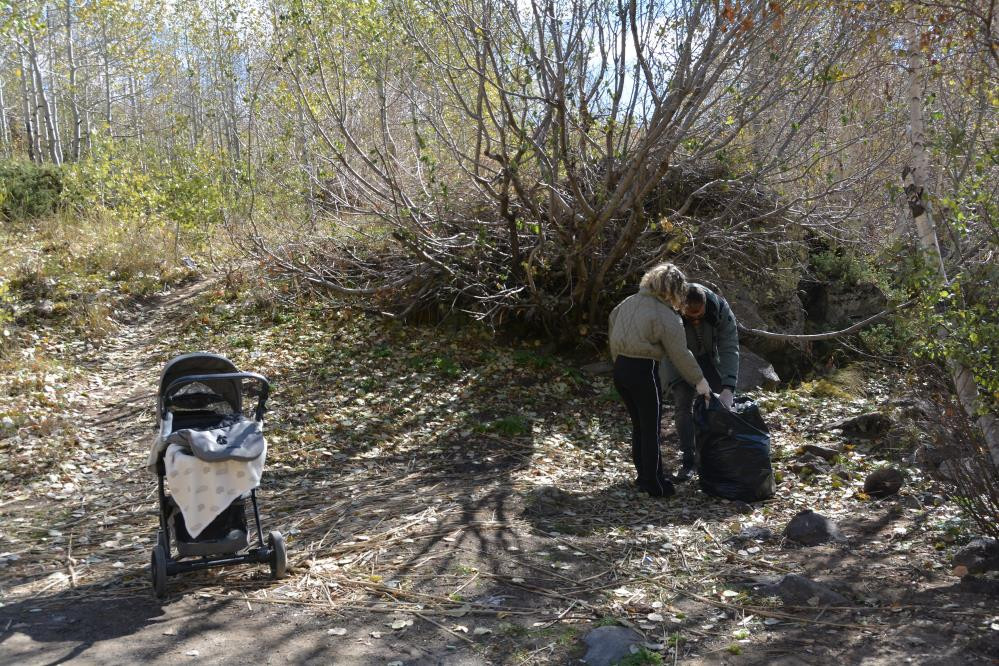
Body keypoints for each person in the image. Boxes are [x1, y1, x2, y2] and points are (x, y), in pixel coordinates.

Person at [609, 263, 712, 498]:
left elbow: (613, 329)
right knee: (651, 429)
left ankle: (643, 476)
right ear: (675, 289)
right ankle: (653, 483)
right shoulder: (665, 314)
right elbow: (680, 354)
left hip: (620, 369)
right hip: (642, 371)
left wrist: (618, 362)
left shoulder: (626, 303)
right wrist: (700, 381)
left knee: (639, 425)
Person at [661, 282, 740, 482]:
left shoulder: (720, 309)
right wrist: (677, 380)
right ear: (681, 307)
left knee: (723, 405)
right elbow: (667, 350)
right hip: (679, 361)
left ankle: (721, 456)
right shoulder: (669, 311)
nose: (696, 321)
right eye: (690, 317)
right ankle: (688, 460)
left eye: (700, 316)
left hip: (708, 359)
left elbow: (729, 345)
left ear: (706, 305)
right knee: (682, 407)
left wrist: (728, 387)